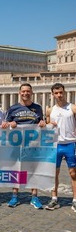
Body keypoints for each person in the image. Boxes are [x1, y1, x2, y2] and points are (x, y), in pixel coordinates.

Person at [2, 83, 46, 209]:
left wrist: (43, 123)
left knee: (33, 169)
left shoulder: (38, 108)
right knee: (16, 169)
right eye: (23, 91)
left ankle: (34, 196)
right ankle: (14, 196)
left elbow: (40, 123)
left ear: (31, 93)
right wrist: (10, 123)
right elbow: (5, 124)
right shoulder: (12, 108)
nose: (25, 93)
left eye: (28, 91)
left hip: (32, 144)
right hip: (16, 144)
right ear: (19, 93)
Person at [45, 83, 76, 212]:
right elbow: (46, 126)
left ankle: (75, 200)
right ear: (52, 94)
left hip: (71, 143)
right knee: (54, 174)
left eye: (61, 92)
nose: (59, 95)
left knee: (73, 173)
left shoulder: (73, 108)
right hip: (55, 144)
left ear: (64, 92)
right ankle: (54, 198)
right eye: (56, 93)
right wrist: (48, 124)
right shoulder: (50, 110)